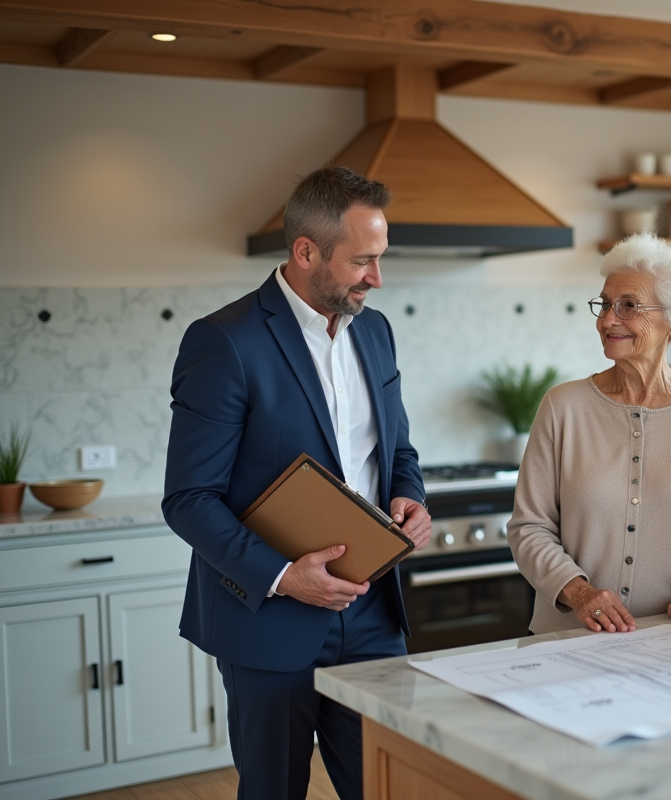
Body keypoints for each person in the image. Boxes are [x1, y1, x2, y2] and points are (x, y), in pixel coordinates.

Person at [162, 166, 431, 799]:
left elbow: (398, 450)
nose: (378, 278)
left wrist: (410, 496)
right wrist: (285, 577)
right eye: (363, 261)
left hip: (373, 616)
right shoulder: (223, 342)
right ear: (306, 252)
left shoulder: (378, 331)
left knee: (386, 787)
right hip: (269, 618)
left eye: (381, 258)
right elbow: (189, 500)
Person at [508, 233, 671, 635]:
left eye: (629, 306)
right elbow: (529, 528)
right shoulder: (562, 407)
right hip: (567, 642)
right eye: (605, 304)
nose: (607, 319)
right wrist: (581, 594)